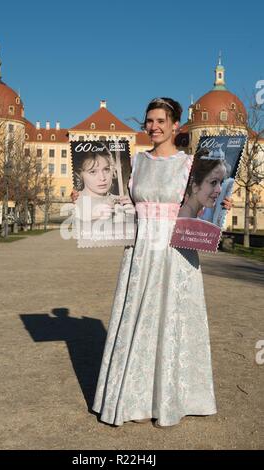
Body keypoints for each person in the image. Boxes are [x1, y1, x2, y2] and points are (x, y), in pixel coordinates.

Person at [73, 97, 232, 427]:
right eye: (149, 121)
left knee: (173, 318)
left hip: (177, 248)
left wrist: (221, 204)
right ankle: (132, 397)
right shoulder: (135, 163)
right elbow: (120, 206)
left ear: (175, 125)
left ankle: (174, 397)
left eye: (161, 120)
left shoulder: (191, 165)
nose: (154, 126)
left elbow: (201, 208)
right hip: (142, 249)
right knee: (137, 316)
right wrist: (85, 199)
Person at [178, 148, 231, 219]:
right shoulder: (185, 218)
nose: (219, 190)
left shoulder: (192, 215)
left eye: (221, 183)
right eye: (213, 182)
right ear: (195, 187)